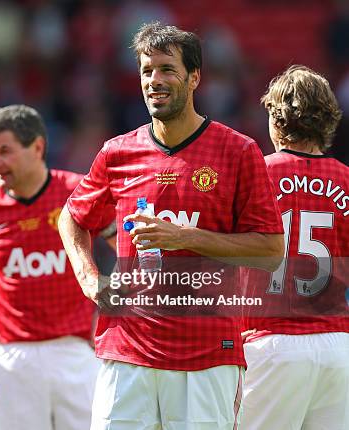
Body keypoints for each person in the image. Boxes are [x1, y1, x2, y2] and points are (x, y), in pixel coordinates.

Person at [57, 22, 285, 429]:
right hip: (126, 349)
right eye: (147, 71)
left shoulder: (238, 151)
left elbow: (270, 252)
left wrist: (184, 237)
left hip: (207, 355)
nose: (154, 81)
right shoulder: (117, 152)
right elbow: (72, 218)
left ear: (194, 77)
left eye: (166, 69)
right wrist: (90, 278)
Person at [0, 104, 115, 430]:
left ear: (37, 147)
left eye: (4, 151)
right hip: (9, 357)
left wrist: (118, 310)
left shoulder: (78, 193)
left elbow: (126, 245)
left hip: (75, 351)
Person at [241, 65, 349, 430]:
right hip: (337, 347)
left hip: (271, 346)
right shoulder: (347, 181)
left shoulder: (255, 174)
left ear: (276, 119)